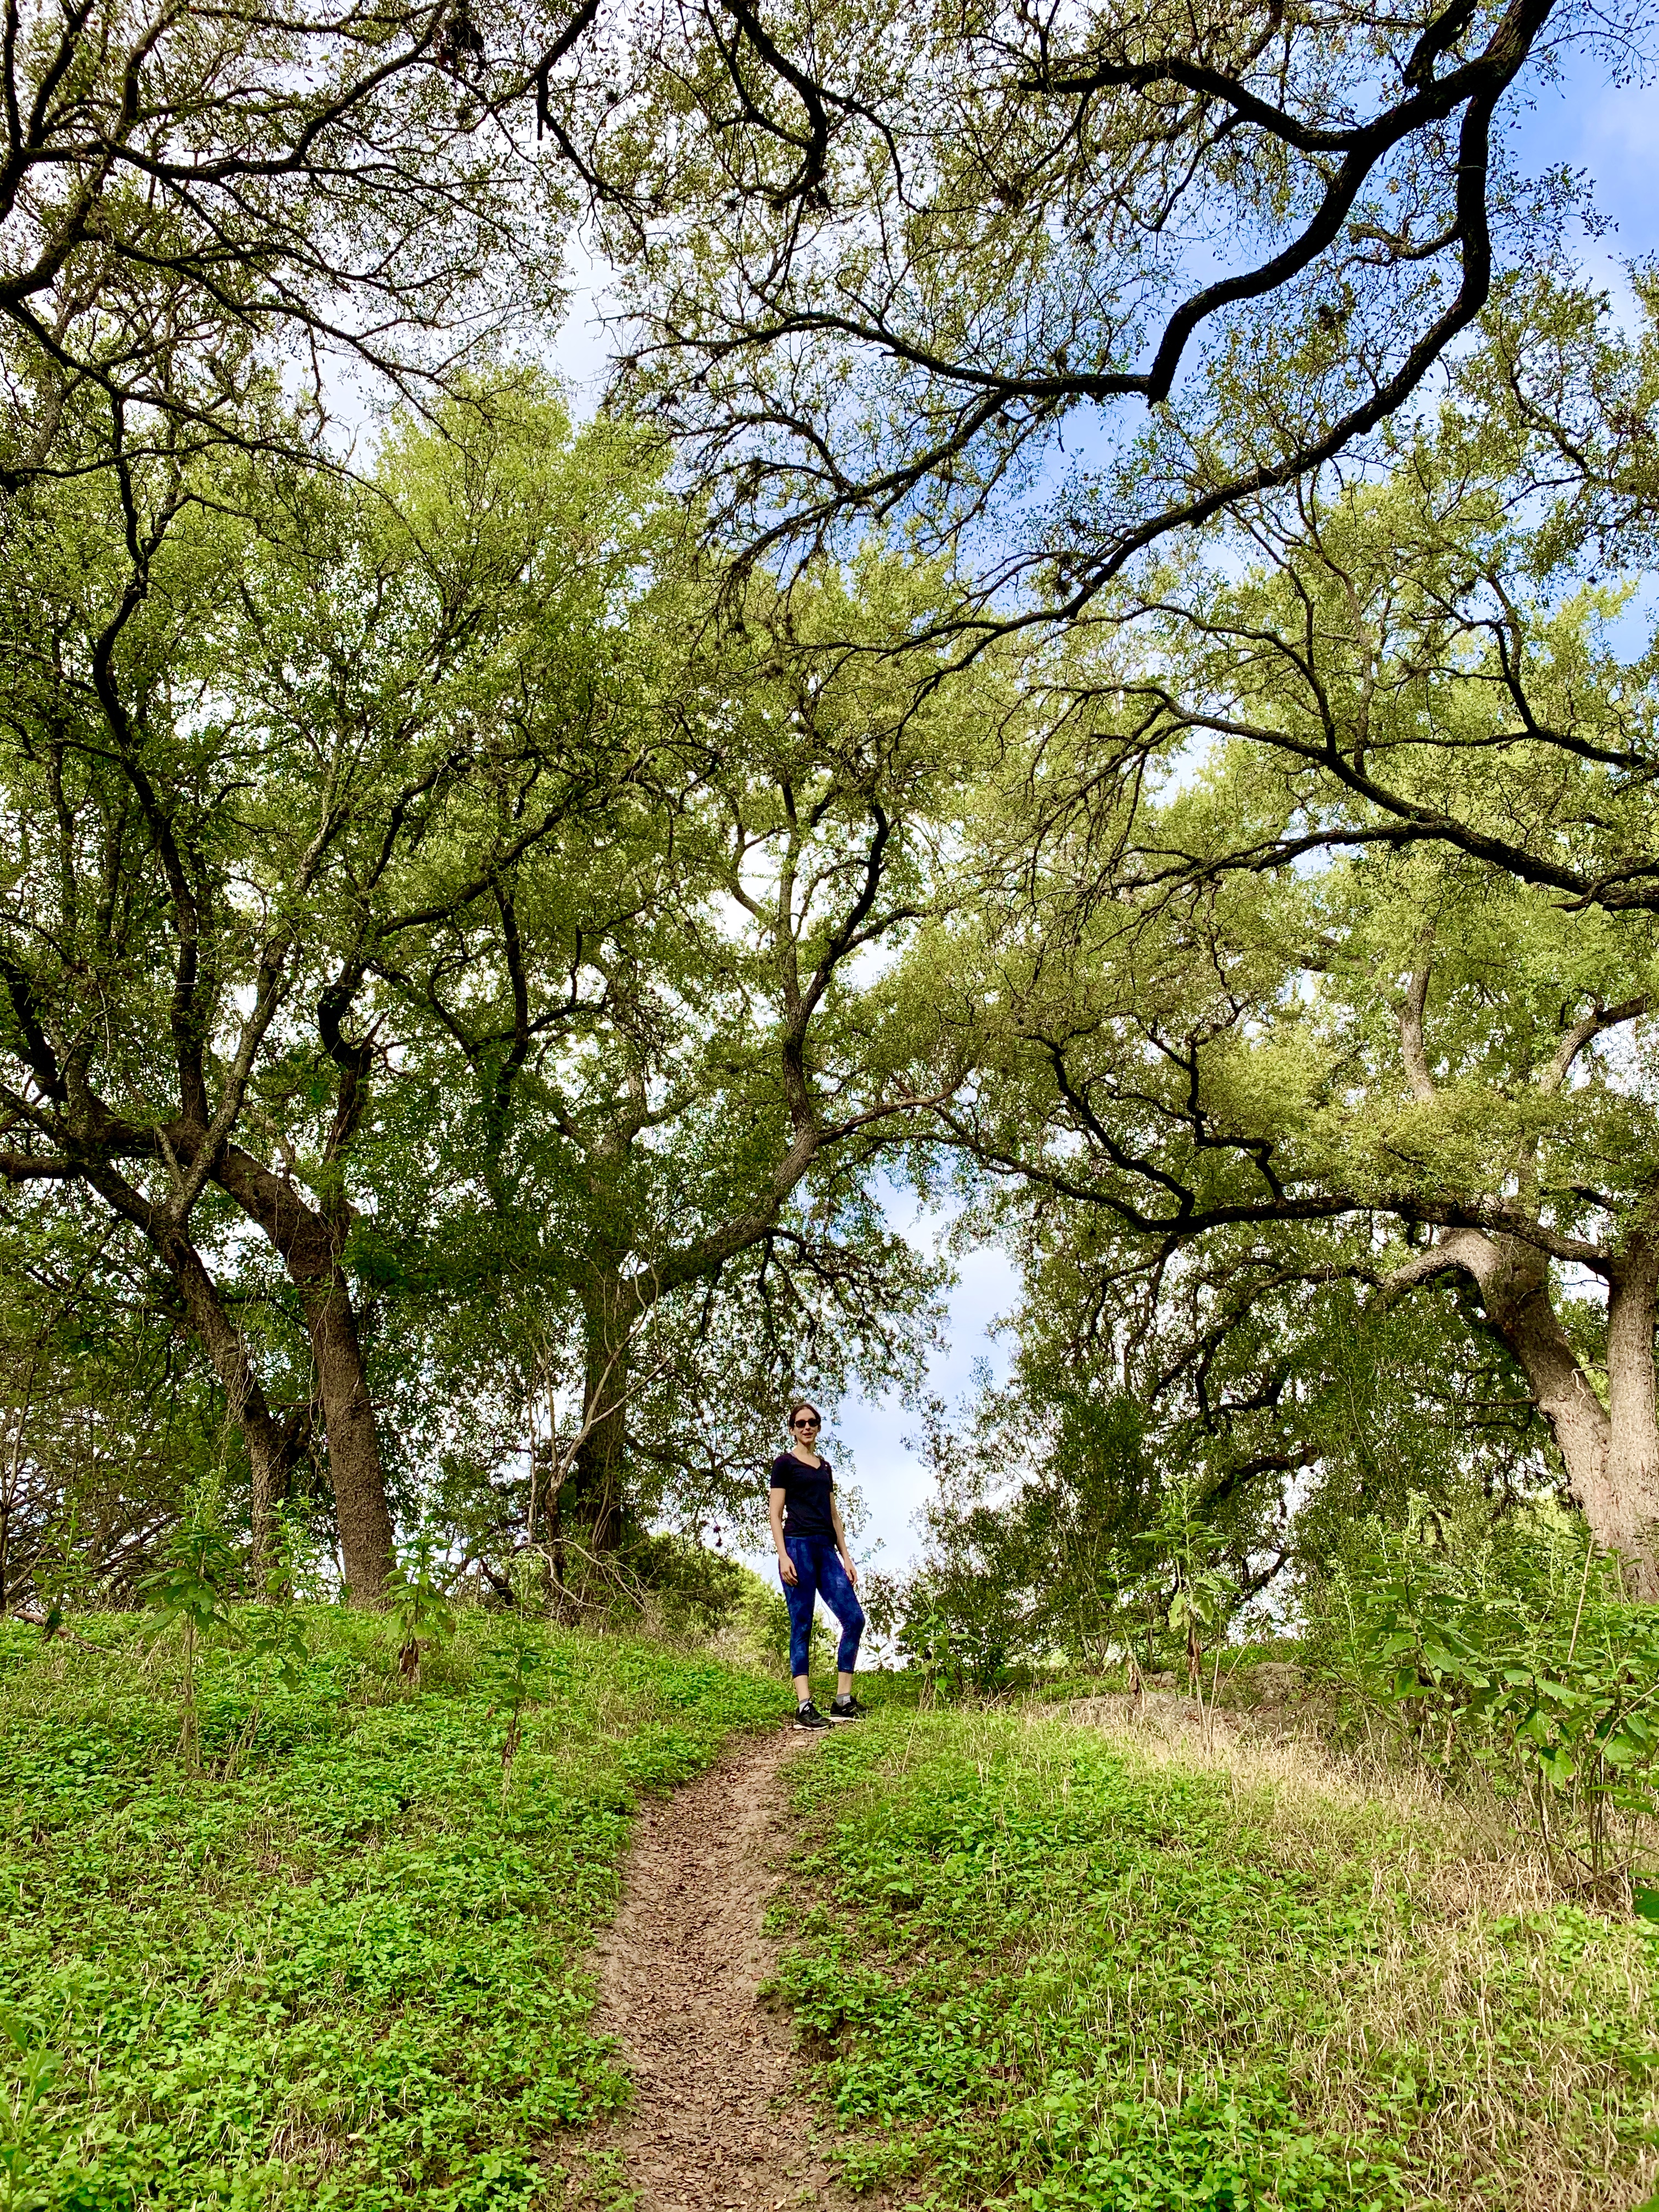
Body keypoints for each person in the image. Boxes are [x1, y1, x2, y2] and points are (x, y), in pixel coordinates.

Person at [769, 1401, 867, 1730]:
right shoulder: (784, 1464)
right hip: (797, 1547)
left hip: (827, 1551)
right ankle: (804, 1705)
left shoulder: (824, 1469)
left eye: (812, 1422)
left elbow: (835, 1516)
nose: (806, 1427)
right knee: (802, 1624)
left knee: (854, 1618)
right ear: (792, 1429)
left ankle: (842, 1700)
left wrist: (847, 1557)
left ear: (818, 1427)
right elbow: (775, 1514)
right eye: (800, 1423)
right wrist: (784, 1556)